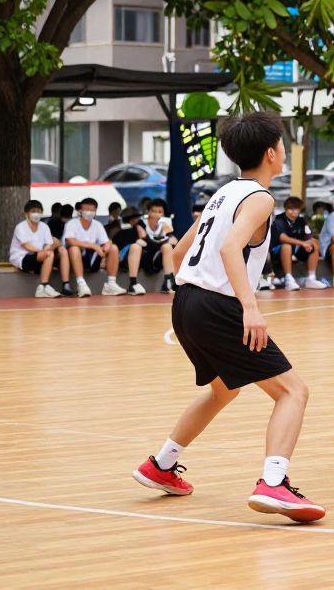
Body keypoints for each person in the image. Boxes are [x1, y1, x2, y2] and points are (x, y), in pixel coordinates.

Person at [131, 110, 324, 522]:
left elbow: (180, 253)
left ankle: (162, 465)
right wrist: (249, 308)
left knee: (224, 390)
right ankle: (274, 482)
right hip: (218, 307)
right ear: (273, 153)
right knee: (293, 391)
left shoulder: (223, 194)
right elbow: (229, 248)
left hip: (186, 302)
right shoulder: (260, 197)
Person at [9, 199, 73, 298]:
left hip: (41, 257)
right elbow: (27, 247)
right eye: (33, 211)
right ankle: (43, 286)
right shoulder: (20, 227)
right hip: (23, 258)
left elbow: (48, 244)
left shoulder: (44, 227)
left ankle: (66, 284)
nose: (36, 214)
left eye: (38, 211)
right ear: (26, 213)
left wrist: (51, 247)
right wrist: (47, 250)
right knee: (49, 254)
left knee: (62, 250)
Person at [63, 198, 124, 297]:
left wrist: (107, 245)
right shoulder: (72, 223)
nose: (89, 212)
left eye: (91, 210)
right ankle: (81, 284)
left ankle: (111, 284)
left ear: (95, 211)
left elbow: (105, 242)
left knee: (113, 248)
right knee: (74, 248)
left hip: (93, 258)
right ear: (80, 210)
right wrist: (93, 245)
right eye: (86, 209)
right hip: (76, 258)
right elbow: (69, 240)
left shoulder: (98, 225)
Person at [270, 196, 328, 290]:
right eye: (291, 208)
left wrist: (308, 243)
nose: (294, 211)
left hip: (296, 249)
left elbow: (308, 237)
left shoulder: (301, 221)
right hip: (277, 251)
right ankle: (289, 279)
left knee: (314, 244)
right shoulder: (279, 220)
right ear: (286, 208)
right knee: (287, 246)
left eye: (297, 208)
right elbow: (282, 237)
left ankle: (311, 278)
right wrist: (302, 243)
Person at [111, 206, 149, 295]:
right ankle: (133, 283)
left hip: (141, 261)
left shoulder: (142, 228)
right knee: (136, 246)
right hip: (122, 260)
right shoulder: (119, 231)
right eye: (136, 218)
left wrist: (144, 237)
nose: (138, 220)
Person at [144, 198, 179, 293]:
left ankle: (168, 281)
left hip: (160, 257)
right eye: (153, 211)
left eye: (160, 212)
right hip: (147, 257)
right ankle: (169, 282)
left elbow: (172, 239)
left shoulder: (166, 223)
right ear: (148, 212)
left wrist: (170, 236)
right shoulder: (142, 223)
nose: (156, 214)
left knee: (168, 247)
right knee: (166, 246)